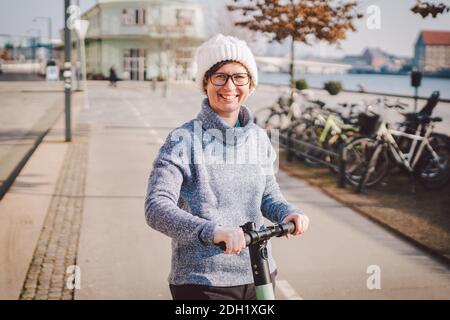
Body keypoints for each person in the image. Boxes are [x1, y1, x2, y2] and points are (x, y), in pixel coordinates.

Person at [144, 34, 310, 300]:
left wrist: (288, 213)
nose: (229, 85)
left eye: (239, 77)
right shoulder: (182, 139)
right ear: (206, 83)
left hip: (261, 274)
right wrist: (212, 232)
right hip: (203, 282)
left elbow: (268, 194)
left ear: (251, 84)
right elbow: (156, 208)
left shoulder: (259, 137)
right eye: (219, 76)